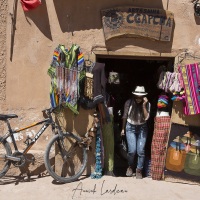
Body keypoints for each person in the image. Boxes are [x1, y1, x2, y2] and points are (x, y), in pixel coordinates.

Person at [121, 86, 151, 179]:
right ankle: (130, 166)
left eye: (140, 97)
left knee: (141, 151)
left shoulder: (147, 104)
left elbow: (146, 118)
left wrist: (144, 105)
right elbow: (125, 116)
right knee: (132, 150)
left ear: (143, 97)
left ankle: (139, 170)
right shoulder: (128, 102)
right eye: (137, 96)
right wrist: (123, 129)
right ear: (134, 95)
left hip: (142, 127)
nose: (138, 98)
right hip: (130, 127)